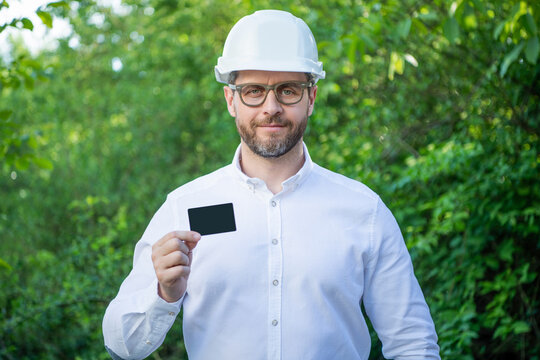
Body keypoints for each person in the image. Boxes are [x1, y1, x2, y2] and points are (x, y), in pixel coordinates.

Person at [102, 9, 440, 360]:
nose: (271, 107)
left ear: (311, 98)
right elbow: (121, 346)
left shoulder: (363, 211)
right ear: (231, 100)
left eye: (288, 90)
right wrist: (163, 294)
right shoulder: (185, 208)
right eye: (253, 91)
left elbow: (413, 344)